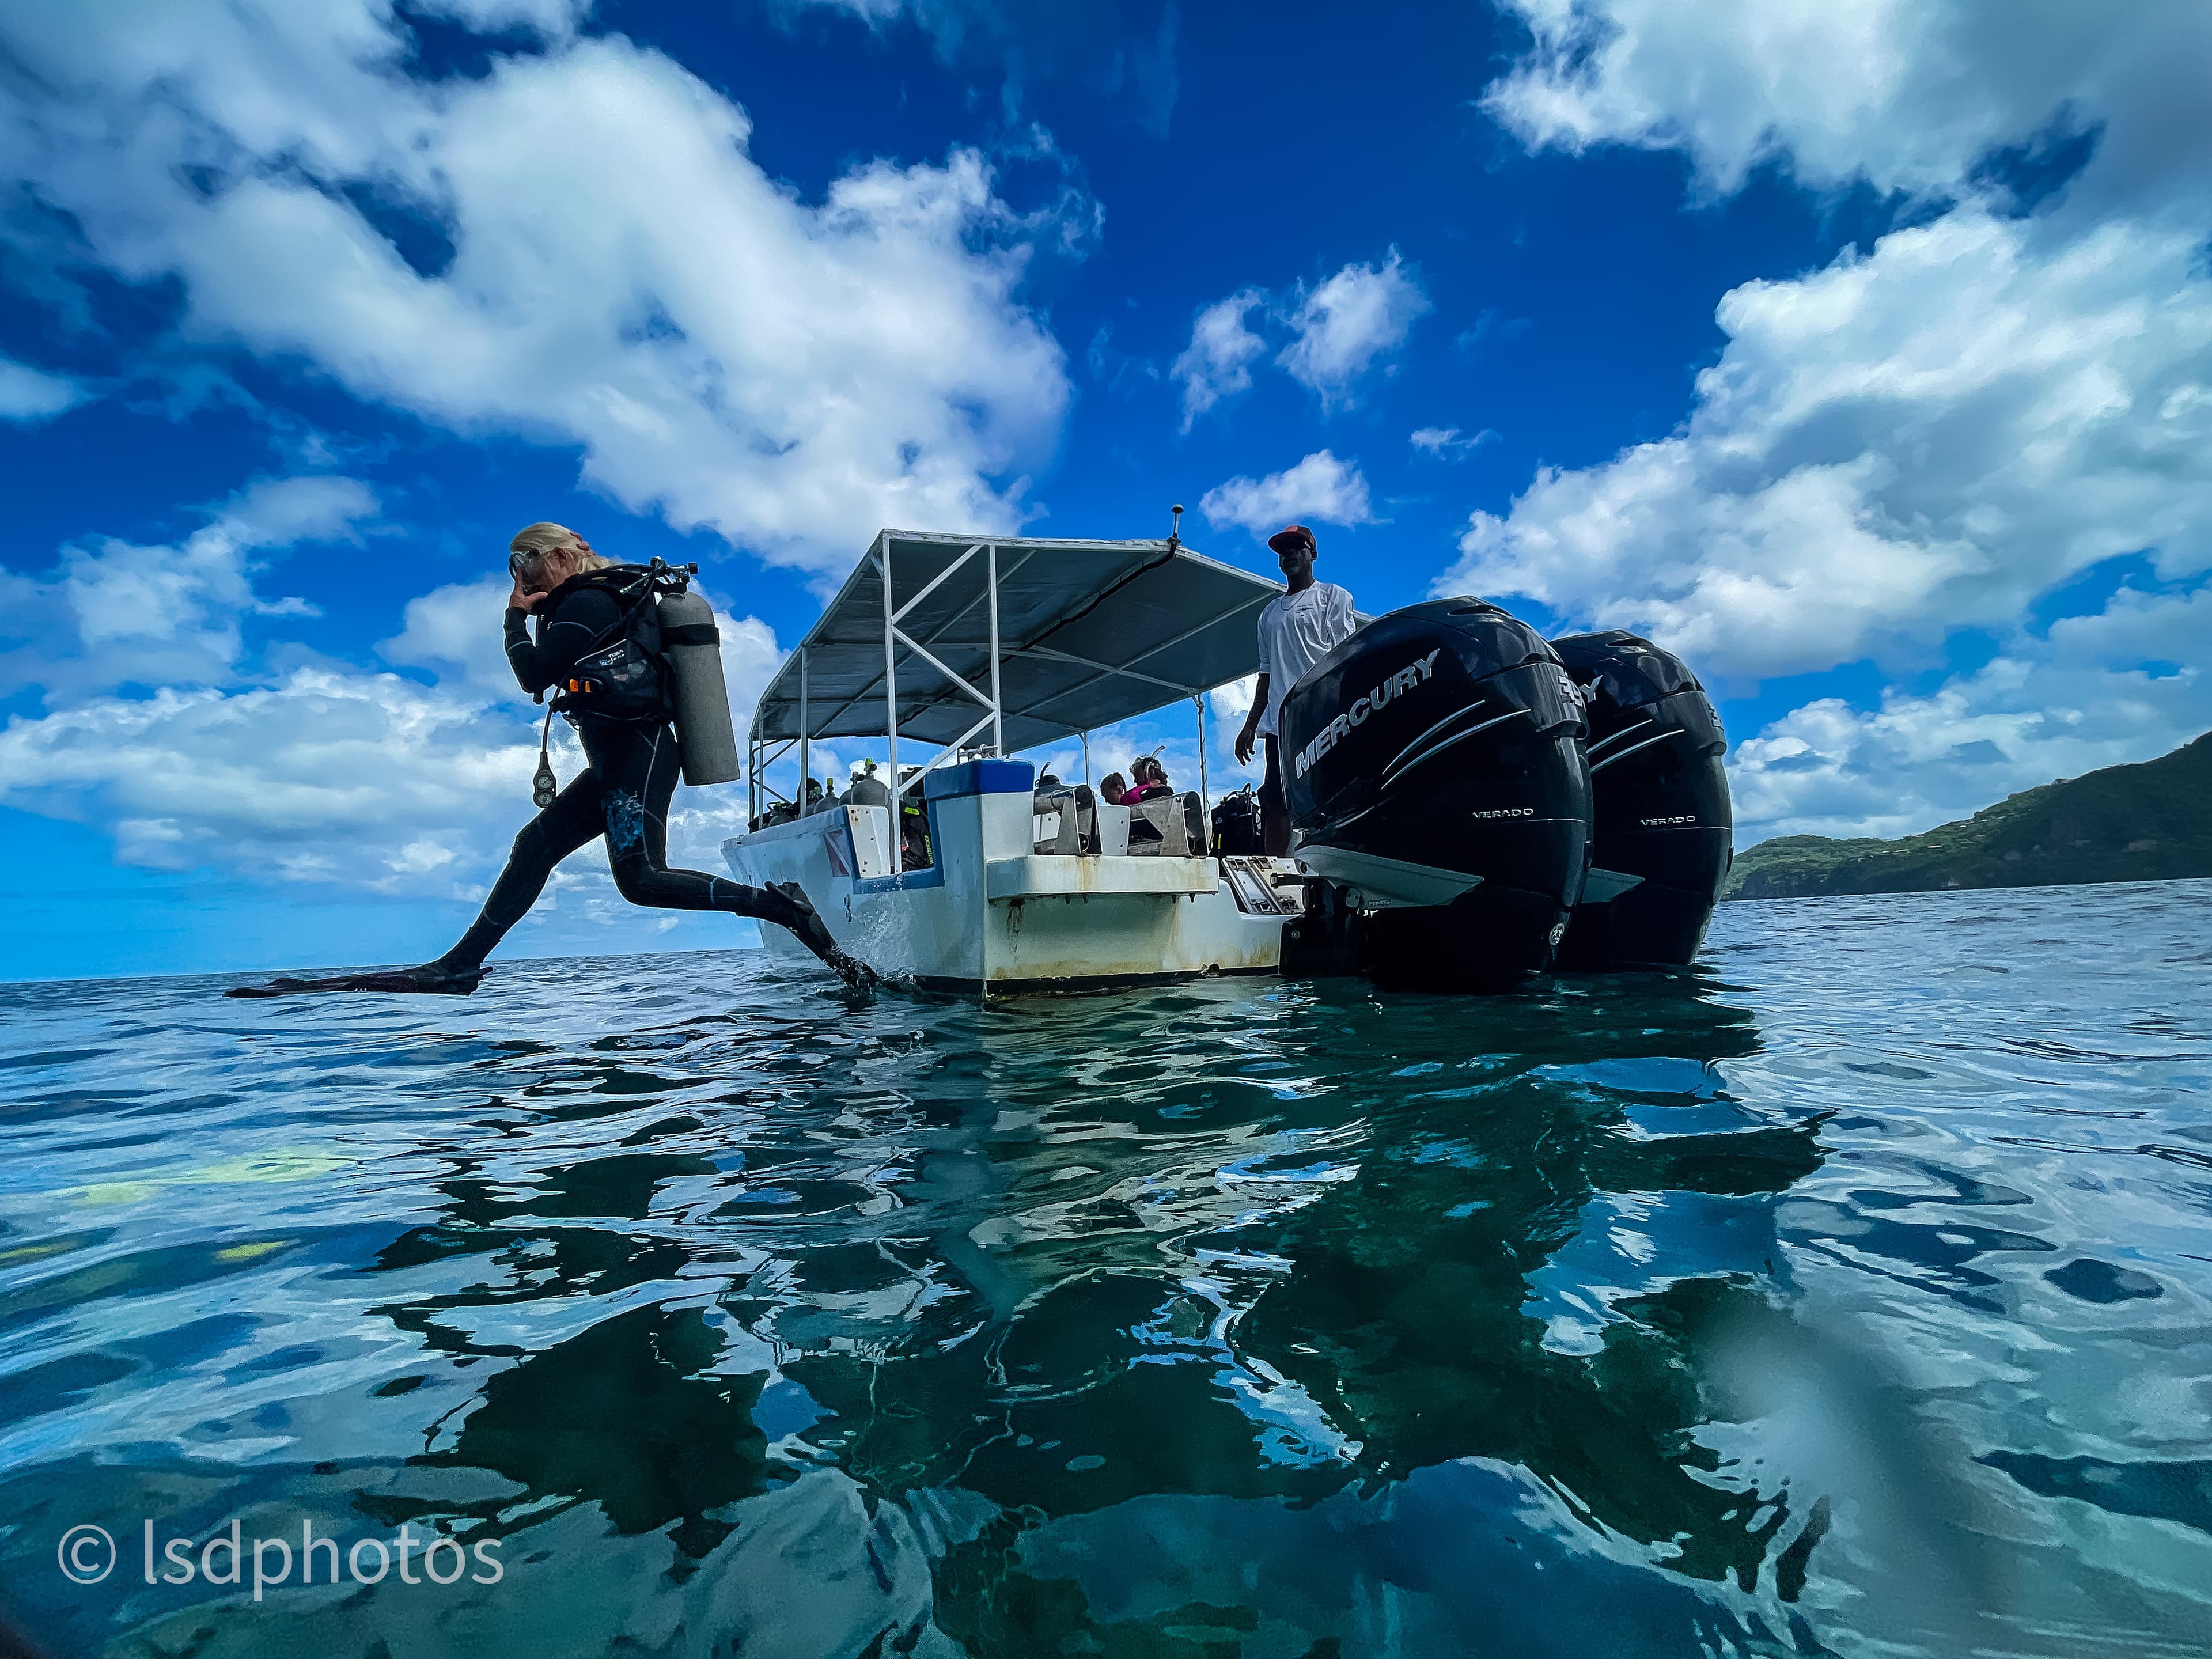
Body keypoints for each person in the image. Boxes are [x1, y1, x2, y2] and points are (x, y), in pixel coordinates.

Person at [230, 522, 874, 996]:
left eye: (526, 569)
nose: (522, 583)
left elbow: (535, 674)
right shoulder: (600, 601)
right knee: (535, 845)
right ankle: (458, 966)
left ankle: (782, 907)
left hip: (637, 754)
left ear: (558, 558)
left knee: (641, 882)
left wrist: (512, 621)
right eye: (515, 576)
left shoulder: (589, 601)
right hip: (622, 755)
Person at [1234, 524, 1358, 856]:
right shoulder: (1268, 614)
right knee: (1274, 797)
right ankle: (1274, 868)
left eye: (1297, 548)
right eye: (1283, 550)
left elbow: (1345, 660)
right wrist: (1250, 725)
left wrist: (1344, 710)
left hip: (1322, 716)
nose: (1290, 554)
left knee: (1324, 794)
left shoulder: (1333, 596)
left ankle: (1327, 865)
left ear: (1312, 554)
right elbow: (1267, 673)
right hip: (1280, 724)